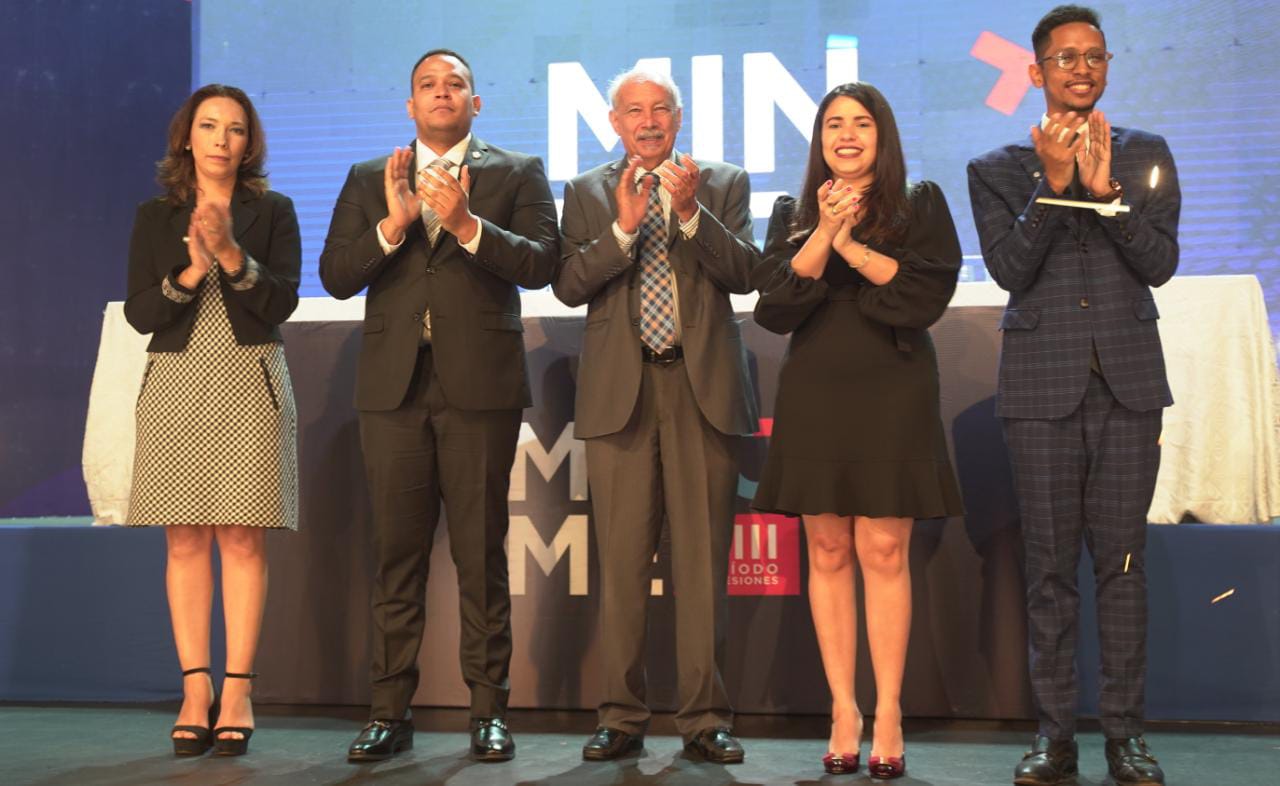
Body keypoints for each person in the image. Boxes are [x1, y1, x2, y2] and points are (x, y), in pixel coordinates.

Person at [319, 48, 559, 764]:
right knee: (396, 559)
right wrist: (392, 225)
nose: (442, 93)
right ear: (410, 104)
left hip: (479, 390)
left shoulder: (516, 173)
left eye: (455, 84)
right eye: (428, 85)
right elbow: (335, 275)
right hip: (393, 392)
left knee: (484, 557)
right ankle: (388, 712)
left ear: (476, 103)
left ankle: (489, 712)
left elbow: (544, 263)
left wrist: (465, 225)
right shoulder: (371, 178)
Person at [967, 6, 1179, 785]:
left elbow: (1159, 263)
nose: (1080, 69)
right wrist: (1055, 189)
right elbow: (1010, 271)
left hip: (1129, 387)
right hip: (1039, 389)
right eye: (1064, 59)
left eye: (1093, 56)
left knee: (1123, 566)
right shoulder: (994, 168)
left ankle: (1125, 736)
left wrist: (1107, 193)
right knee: (1049, 570)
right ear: (1037, 73)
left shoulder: (1148, 154)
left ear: (1107, 66)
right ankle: (1054, 737)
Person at [751, 82, 964, 780]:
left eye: (861, 123)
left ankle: (890, 710)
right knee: (828, 546)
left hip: (893, 386)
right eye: (833, 124)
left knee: (882, 546)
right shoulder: (790, 211)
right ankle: (844, 708)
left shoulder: (919, 203)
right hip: (816, 390)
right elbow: (777, 308)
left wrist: (853, 245)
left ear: (883, 134)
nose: (846, 135)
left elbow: (919, 299)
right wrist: (823, 233)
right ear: (819, 140)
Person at [553, 68, 760, 764]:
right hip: (622, 393)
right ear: (614, 122)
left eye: (661, 110)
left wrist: (693, 215)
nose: (648, 122)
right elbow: (569, 281)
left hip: (701, 391)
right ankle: (621, 715)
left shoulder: (722, 181)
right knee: (620, 566)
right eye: (634, 111)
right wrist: (622, 229)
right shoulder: (586, 191)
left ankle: (704, 719)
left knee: (702, 567)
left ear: (680, 117)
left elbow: (746, 273)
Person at [124, 83, 301, 757]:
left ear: (247, 142)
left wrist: (231, 256)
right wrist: (191, 272)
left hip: (248, 377)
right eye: (208, 126)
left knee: (244, 540)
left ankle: (237, 690)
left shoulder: (273, 210)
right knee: (185, 541)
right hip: (175, 379)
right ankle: (194, 689)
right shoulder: (152, 215)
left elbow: (279, 300)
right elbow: (143, 312)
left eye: (234, 128)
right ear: (187, 138)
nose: (221, 139)